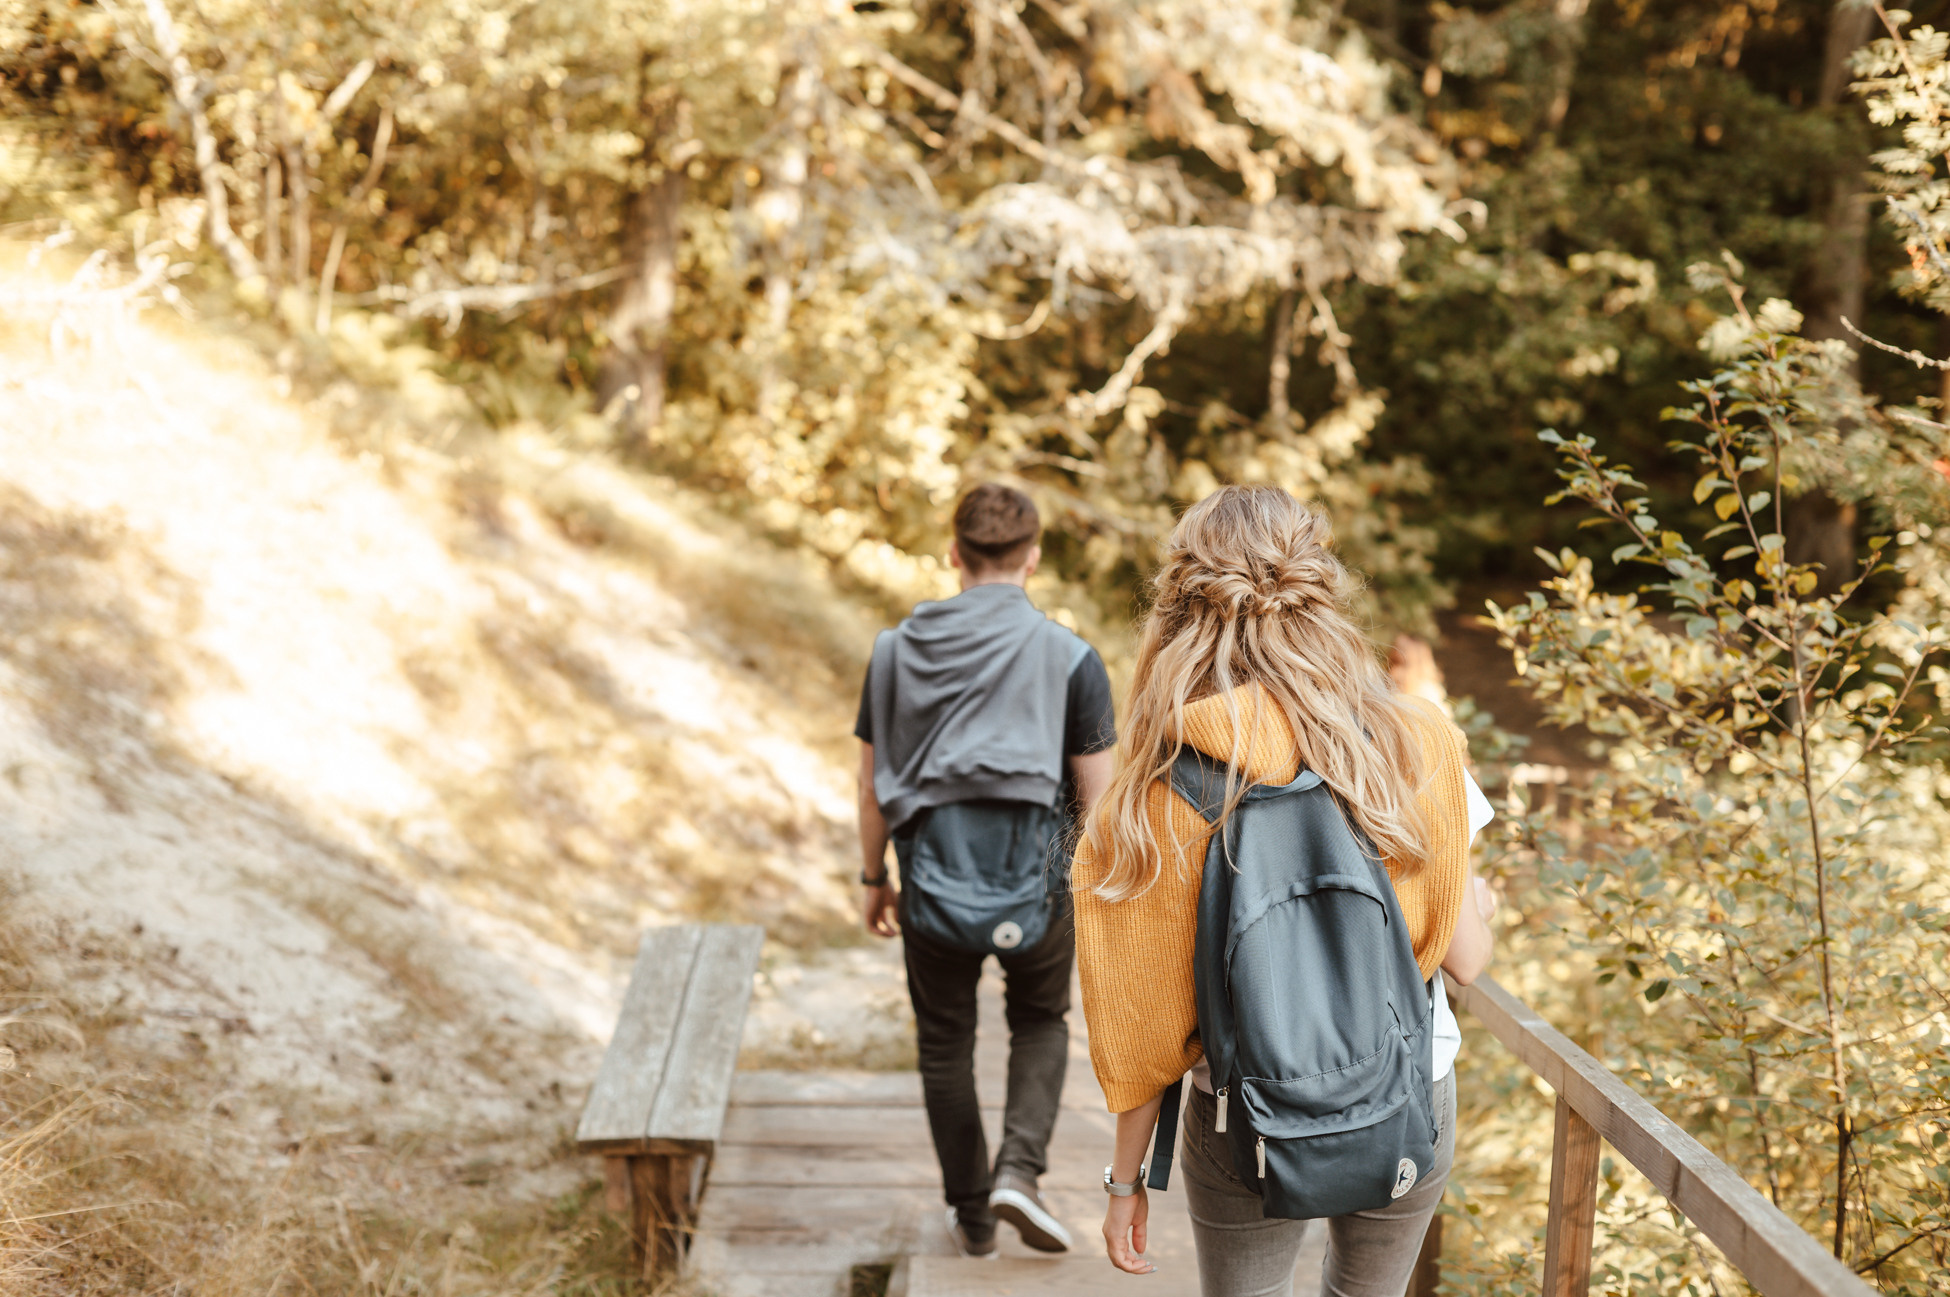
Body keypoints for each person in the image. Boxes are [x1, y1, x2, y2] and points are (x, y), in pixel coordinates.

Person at [1071, 486, 1499, 1297]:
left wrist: (1126, 1181)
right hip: (1407, 1093)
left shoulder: (1158, 791)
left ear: (1180, 606)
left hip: (1243, 1116)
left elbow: (1144, 1029)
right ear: (1323, 588)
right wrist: (1477, 905)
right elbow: (1466, 962)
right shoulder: (1420, 744)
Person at [856, 483, 1117, 1258]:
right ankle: (1020, 1174)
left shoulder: (891, 653)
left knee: (945, 1041)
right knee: (1039, 1019)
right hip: (1038, 883)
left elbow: (871, 783)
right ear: (1032, 558)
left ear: (953, 554)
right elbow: (1098, 805)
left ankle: (971, 1212)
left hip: (930, 883)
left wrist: (875, 877)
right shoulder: (1071, 658)